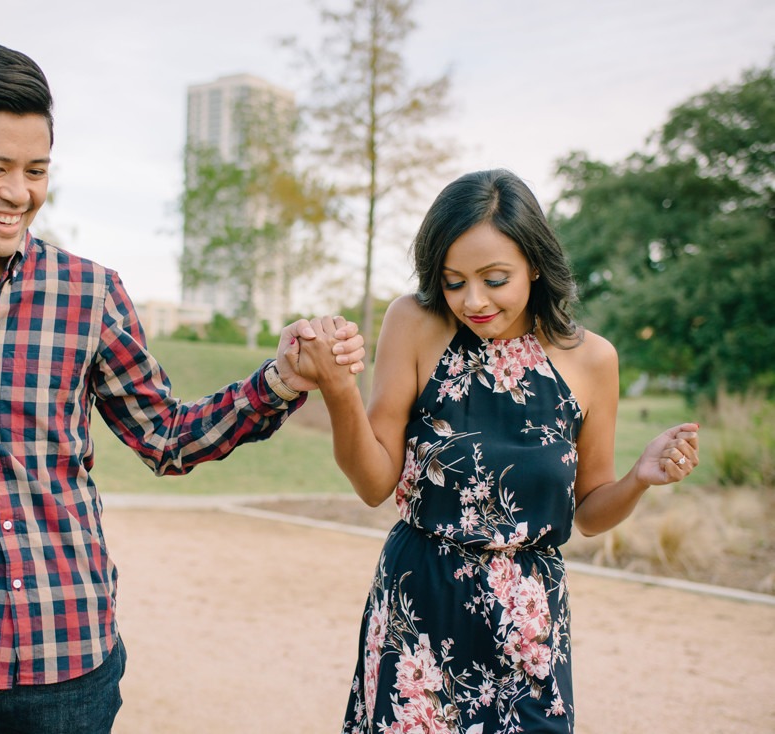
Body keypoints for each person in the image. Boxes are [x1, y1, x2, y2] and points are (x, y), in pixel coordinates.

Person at [0, 41, 365, 734]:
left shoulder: (90, 295)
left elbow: (167, 439)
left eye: (36, 170)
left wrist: (279, 381)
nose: (20, 192)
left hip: (69, 659)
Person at [296, 169, 700, 734]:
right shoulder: (413, 322)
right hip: (421, 603)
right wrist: (339, 389)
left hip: (528, 620)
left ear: (535, 264)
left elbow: (587, 514)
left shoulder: (593, 360)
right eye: (454, 281)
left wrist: (638, 477)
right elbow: (372, 483)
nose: (473, 301)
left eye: (495, 279)